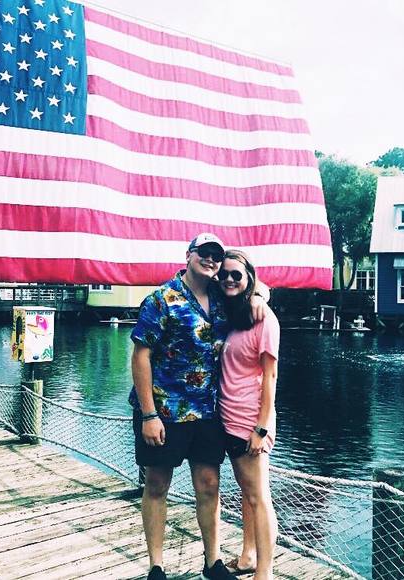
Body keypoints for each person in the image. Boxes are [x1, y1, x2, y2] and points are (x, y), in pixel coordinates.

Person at [130, 234, 267, 580]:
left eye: (216, 255)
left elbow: (251, 286)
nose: (211, 260)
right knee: (157, 484)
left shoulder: (222, 298)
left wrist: (261, 296)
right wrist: (148, 414)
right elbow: (141, 356)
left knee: (208, 485)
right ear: (189, 255)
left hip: (208, 411)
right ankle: (156, 566)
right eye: (204, 253)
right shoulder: (161, 299)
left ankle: (212, 563)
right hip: (164, 411)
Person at [217, 249, 279, 580]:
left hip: (250, 422)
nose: (229, 279)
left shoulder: (264, 320)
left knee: (259, 497)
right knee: (247, 494)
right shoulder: (233, 315)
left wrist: (262, 428)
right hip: (226, 418)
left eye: (236, 275)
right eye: (224, 274)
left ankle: (264, 572)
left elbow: (270, 376)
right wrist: (259, 293)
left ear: (249, 278)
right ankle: (247, 556)